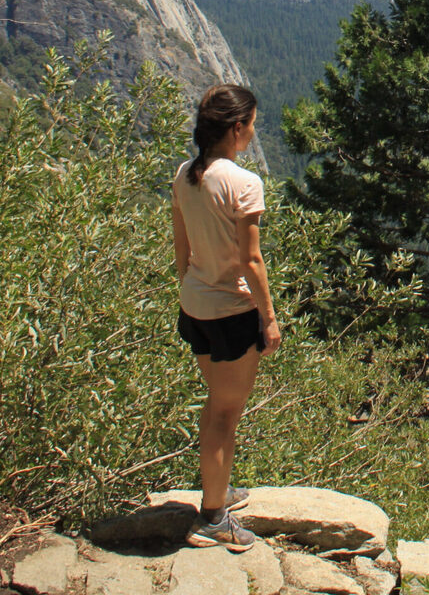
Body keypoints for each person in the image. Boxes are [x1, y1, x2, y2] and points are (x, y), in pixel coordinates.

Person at [172, 83, 281, 552]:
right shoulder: (243, 182)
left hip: (195, 305)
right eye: (252, 124)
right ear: (236, 129)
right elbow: (251, 260)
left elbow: (182, 248)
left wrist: (193, 285)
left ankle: (217, 491)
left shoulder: (184, 175)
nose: (254, 132)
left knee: (215, 405)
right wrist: (269, 318)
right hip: (233, 312)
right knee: (225, 414)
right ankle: (213, 517)